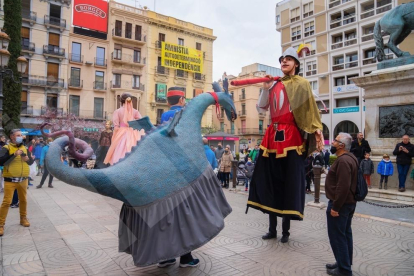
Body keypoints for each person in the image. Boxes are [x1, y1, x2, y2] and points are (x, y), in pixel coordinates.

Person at [247, 47, 324, 244]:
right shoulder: (274, 85)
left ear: (296, 64)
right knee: (271, 183)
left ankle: (286, 232)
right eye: (282, 59)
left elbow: (310, 111)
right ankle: (272, 229)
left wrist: (317, 130)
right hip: (271, 138)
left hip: (291, 139)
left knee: (288, 184)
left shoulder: (303, 84)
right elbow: (262, 107)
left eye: (289, 59)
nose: (284, 62)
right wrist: (265, 87)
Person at [157, 87, 200, 268]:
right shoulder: (186, 115)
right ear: (182, 100)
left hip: (165, 170)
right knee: (184, 214)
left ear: (168, 102)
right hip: (183, 171)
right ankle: (185, 257)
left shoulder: (164, 117)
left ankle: (166, 257)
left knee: (166, 213)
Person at [325, 132, 358, 276]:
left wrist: (335, 207)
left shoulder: (344, 161)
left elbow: (343, 186)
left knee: (338, 236)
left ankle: (344, 270)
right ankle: (342, 262)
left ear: (341, 145)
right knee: (345, 234)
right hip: (348, 203)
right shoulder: (350, 158)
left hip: (341, 205)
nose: (332, 142)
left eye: (335, 140)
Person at [0, 129, 35, 236]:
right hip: (10, 180)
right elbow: (1, 161)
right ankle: (1, 224)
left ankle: (23, 218)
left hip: (23, 179)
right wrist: (14, 154)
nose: (21, 137)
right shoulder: (6, 148)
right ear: (12, 137)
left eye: (21, 135)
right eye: (18, 135)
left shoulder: (24, 147)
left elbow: (29, 162)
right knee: (6, 202)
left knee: (23, 200)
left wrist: (29, 159)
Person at [104, 93, 145, 166]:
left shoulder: (117, 111)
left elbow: (116, 126)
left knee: (119, 150)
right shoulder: (135, 111)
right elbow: (141, 122)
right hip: (132, 133)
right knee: (132, 148)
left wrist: (115, 136)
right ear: (131, 101)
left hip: (121, 132)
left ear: (121, 101)